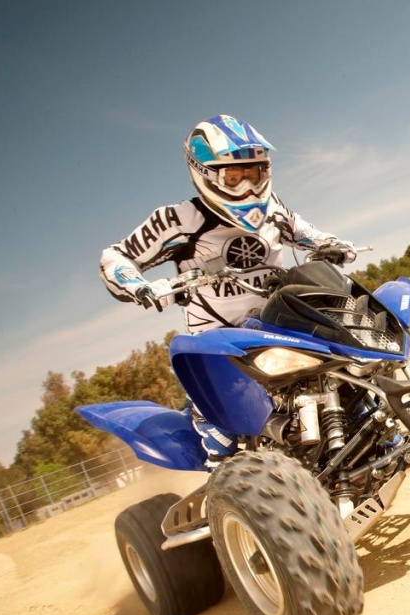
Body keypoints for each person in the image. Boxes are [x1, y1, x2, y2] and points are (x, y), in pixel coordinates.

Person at [98, 114, 355, 467]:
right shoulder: (178, 219)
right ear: (204, 174)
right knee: (220, 431)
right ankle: (225, 475)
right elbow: (116, 256)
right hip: (218, 340)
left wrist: (331, 243)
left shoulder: (274, 208)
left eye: (255, 173)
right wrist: (140, 286)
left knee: (348, 358)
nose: (248, 186)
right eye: (234, 177)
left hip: (278, 323)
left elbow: (306, 232)